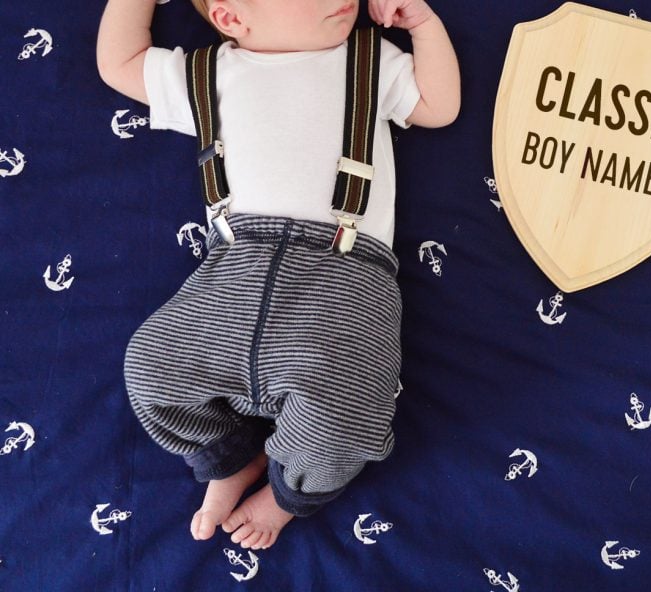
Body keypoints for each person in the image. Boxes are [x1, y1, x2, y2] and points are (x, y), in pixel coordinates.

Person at [96, 0, 460, 551]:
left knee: (346, 416)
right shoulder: (206, 72)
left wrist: (425, 27)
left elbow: (439, 105)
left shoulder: (366, 60)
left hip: (345, 278)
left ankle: (288, 492)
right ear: (231, 19)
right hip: (232, 270)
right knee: (152, 371)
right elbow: (119, 62)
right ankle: (233, 457)